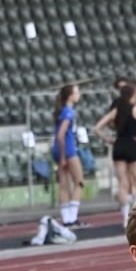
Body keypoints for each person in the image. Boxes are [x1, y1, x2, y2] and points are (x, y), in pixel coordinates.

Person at [94, 84, 136, 226]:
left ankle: (126, 217)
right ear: (133, 94)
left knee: (123, 184)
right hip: (133, 144)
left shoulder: (116, 110)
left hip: (119, 145)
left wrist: (108, 139)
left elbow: (97, 128)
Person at [51, 84, 84, 228]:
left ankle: (66, 218)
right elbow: (60, 135)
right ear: (70, 96)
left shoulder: (62, 111)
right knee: (79, 182)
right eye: (76, 92)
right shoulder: (68, 112)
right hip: (68, 149)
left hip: (58, 149)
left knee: (64, 185)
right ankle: (72, 217)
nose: (78, 95)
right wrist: (64, 156)